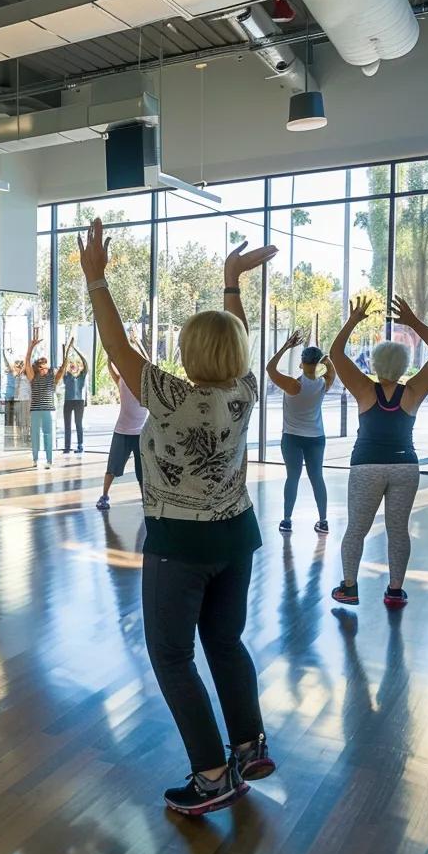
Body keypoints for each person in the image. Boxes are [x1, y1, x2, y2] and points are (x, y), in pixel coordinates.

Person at [80, 219, 278, 816]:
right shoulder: (245, 391)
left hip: (179, 546)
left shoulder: (168, 396)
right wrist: (230, 282)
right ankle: (249, 745)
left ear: (189, 354)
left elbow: (117, 345)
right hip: (236, 539)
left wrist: (96, 280)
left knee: (171, 655)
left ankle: (212, 775)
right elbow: (236, 337)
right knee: (225, 641)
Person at [328, 295, 428, 609]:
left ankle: (349, 587)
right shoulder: (413, 391)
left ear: (375, 363)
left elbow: (335, 354)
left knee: (356, 529)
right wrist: (413, 322)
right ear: (404, 365)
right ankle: (395, 591)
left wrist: (353, 321)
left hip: (366, 467)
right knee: (398, 531)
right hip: (405, 467)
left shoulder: (364, 389)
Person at [267, 330, 336, 535]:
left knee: (293, 477)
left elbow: (270, 368)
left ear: (301, 363)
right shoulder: (323, 384)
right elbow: (331, 372)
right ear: (317, 364)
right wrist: (326, 359)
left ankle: (287, 520)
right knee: (317, 478)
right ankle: (323, 521)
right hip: (316, 438)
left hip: (292, 438)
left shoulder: (293, 385)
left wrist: (286, 346)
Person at [96, 356, 147, 510]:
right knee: (112, 467)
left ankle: (146, 501)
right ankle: (104, 496)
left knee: (142, 472)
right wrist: (110, 357)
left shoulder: (145, 385)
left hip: (140, 434)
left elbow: (148, 365)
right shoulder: (121, 380)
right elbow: (111, 367)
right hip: (122, 432)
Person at [23, 328, 65, 469]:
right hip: (35, 410)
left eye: (45, 367)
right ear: (37, 368)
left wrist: (65, 360)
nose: (44, 369)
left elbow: (61, 371)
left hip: (48, 410)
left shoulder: (52, 378)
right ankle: (35, 459)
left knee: (48, 435)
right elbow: (27, 362)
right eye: (41, 367)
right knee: (35, 435)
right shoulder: (33, 377)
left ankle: (49, 460)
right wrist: (31, 347)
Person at [62, 340, 89, 454]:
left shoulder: (82, 376)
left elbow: (85, 363)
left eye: (75, 365)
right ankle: (67, 447)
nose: (73, 366)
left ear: (79, 367)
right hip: (68, 402)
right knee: (67, 425)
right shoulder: (66, 376)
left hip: (79, 402)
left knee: (78, 424)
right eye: (71, 365)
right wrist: (68, 349)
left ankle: (80, 445)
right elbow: (64, 364)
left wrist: (76, 349)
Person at [13, 358, 31, 440]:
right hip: (18, 399)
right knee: (19, 418)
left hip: (26, 399)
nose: (14, 369)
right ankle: (21, 434)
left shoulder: (25, 377)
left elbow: (29, 388)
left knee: (25, 418)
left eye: (16, 367)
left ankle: (26, 434)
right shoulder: (18, 377)